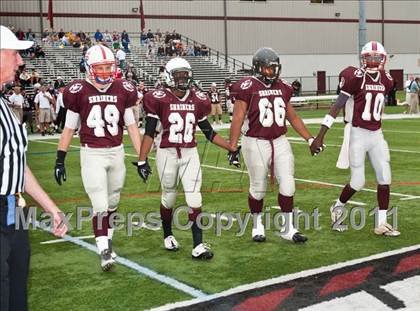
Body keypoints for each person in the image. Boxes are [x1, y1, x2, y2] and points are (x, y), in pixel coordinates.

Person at [134, 57, 240, 260]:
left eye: (185, 75)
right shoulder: (158, 98)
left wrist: (230, 146)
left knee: (194, 197)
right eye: (178, 75)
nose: (183, 79)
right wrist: (142, 159)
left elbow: (208, 132)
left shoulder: (197, 99)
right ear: (168, 77)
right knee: (169, 197)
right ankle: (167, 234)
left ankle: (198, 244)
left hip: (190, 153)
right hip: (167, 153)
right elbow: (149, 133)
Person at [54, 44, 141, 271]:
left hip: (117, 152)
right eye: (100, 67)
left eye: (108, 67)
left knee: (113, 202)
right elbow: (68, 130)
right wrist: (59, 158)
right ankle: (104, 249)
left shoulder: (122, 88)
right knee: (100, 204)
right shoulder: (78, 91)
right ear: (89, 68)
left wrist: (142, 158)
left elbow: (132, 127)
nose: (104, 72)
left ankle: (107, 241)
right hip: (92, 153)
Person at [0, 24, 68, 311]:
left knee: (16, 293)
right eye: (14, 54)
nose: (20, 61)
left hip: (15, 212)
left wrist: (51, 208)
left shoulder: (4, 107)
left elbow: (17, 165)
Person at [230, 47, 319, 243]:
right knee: (258, 186)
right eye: (268, 68)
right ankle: (257, 225)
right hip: (255, 141)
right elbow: (237, 118)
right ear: (258, 68)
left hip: (279, 141)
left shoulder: (284, 87)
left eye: (274, 68)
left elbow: (292, 116)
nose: (272, 72)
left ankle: (288, 228)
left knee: (288, 184)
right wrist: (232, 147)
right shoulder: (247, 87)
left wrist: (310, 139)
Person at [310, 41, 400, 236]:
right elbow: (337, 105)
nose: (373, 61)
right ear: (363, 58)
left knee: (385, 176)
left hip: (377, 133)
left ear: (383, 59)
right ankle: (337, 207)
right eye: (370, 57)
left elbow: (389, 90)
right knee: (358, 181)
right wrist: (320, 135)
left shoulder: (386, 79)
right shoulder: (355, 77)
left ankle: (382, 223)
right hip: (358, 133)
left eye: (377, 57)